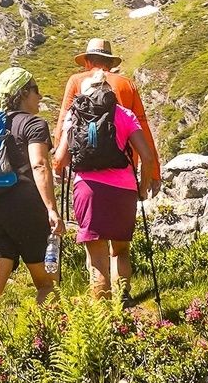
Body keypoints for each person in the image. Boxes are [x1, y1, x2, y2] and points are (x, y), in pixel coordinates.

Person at [58, 39, 161, 304]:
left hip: (88, 188)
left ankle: (102, 317)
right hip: (124, 186)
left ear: (88, 61)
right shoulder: (125, 103)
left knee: (96, 259)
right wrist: (147, 180)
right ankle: (123, 301)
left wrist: (58, 169)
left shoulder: (75, 103)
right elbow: (146, 151)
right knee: (121, 250)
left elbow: (61, 151)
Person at [0, 66, 62, 324]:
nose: (40, 96)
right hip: (25, 209)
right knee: (47, 285)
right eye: (36, 90)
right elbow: (39, 165)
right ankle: (45, 347)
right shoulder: (34, 123)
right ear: (24, 93)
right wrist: (51, 208)